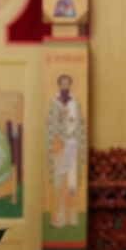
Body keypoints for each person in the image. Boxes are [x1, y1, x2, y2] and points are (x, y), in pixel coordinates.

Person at [46, 74, 86, 226]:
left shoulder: (75, 102)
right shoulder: (54, 103)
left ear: (70, 85)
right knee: (58, 185)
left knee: (72, 184)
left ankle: (72, 218)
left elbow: (80, 125)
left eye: (67, 83)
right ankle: (59, 217)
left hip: (72, 147)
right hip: (58, 147)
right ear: (58, 85)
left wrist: (78, 143)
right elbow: (50, 125)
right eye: (62, 83)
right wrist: (59, 120)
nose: (64, 86)